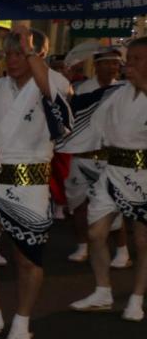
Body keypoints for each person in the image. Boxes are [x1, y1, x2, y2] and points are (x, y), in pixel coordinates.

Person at [0, 28, 73, 339]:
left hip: (31, 182)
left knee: (27, 258)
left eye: (20, 53)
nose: (12, 60)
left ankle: (22, 318)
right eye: (9, 53)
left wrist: (32, 53)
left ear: (36, 56)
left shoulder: (54, 83)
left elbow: (56, 101)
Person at [70, 39, 146, 318]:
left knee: (142, 241)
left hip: (144, 175)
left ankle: (137, 297)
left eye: (138, 58)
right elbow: (87, 117)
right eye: (132, 58)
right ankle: (102, 290)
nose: (131, 64)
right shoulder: (116, 93)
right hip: (112, 170)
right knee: (96, 233)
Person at [59, 47, 132, 268]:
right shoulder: (81, 88)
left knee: (115, 204)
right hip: (82, 156)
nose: (112, 67)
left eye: (115, 63)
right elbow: (65, 109)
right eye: (107, 62)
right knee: (80, 204)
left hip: (112, 158)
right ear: (96, 65)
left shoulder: (126, 90)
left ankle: (122, 250)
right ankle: (83, 246)